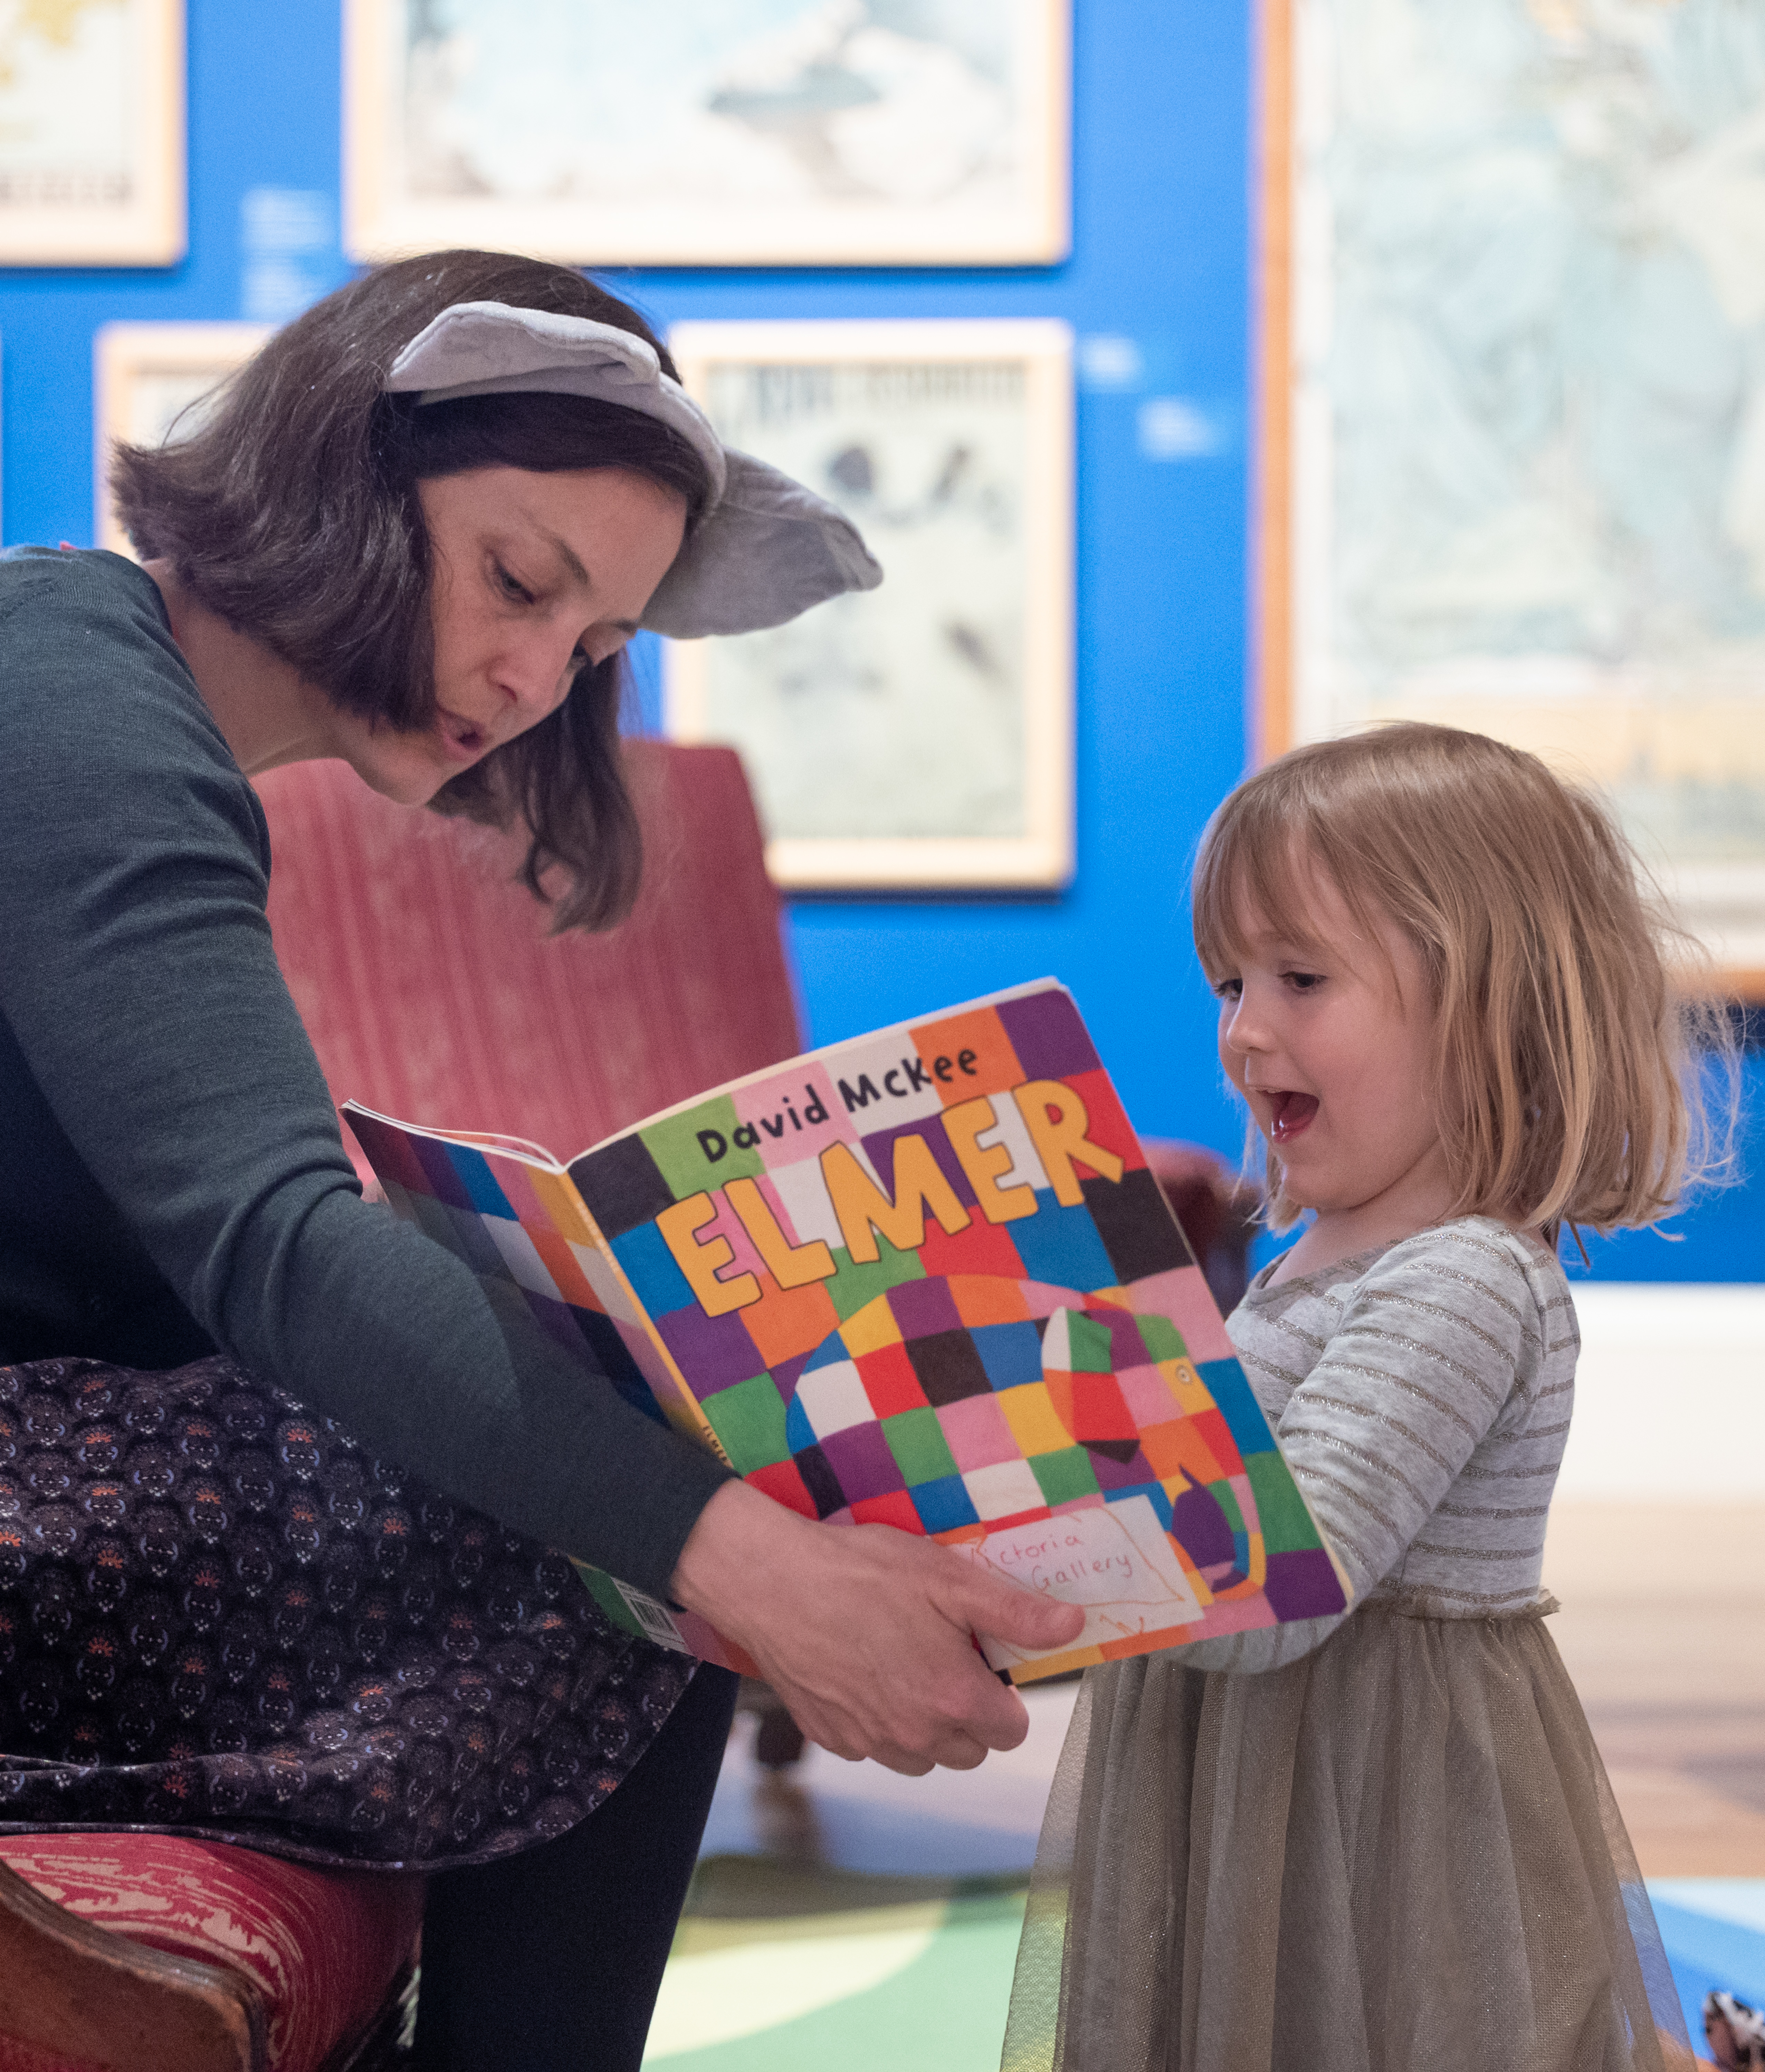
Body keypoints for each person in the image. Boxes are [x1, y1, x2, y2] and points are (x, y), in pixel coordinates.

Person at [0, 249, 1082, 2072]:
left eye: (591, 647)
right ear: (346, 471)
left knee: (613, 1433)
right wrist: (745, 1558)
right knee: (618, 1534)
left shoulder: (94, 689)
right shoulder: (71, 701)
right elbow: (274, 1241)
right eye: (517, 582)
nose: (531, 678)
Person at [1002, 723, 1733, 2072]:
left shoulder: (1461, 1282)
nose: (1242, 1032)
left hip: (1374, 1825)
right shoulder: (1320, 1255)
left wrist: (1074, 1448)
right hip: (1259, 1792)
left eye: (1300, 976)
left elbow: (1279, 1585)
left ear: (1487, 1002)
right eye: (1229, 982)